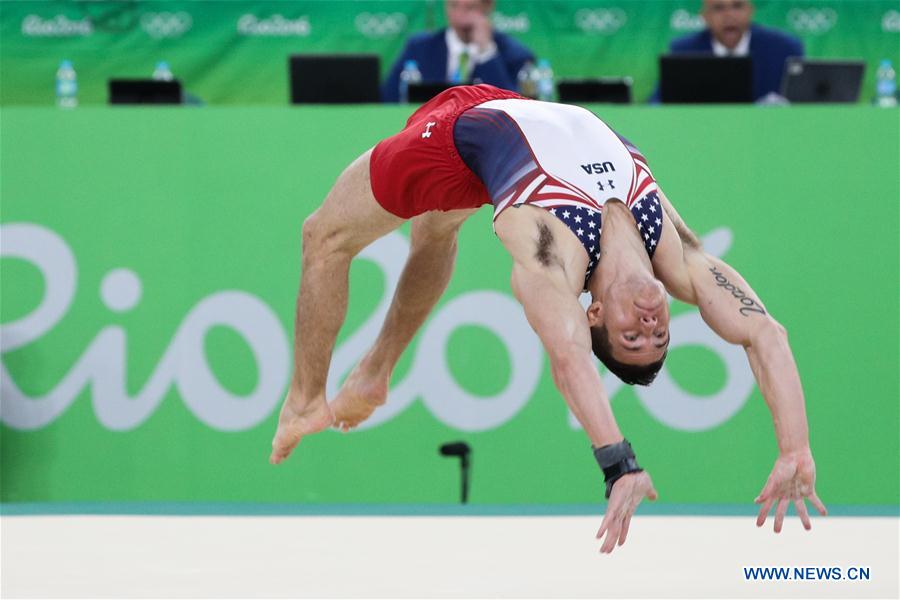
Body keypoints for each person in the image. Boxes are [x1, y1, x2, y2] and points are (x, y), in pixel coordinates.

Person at [269, 84, 827, 553]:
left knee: (323, 236)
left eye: (632, 336)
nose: (653, 324)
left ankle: (304, 400)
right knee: (436, 226)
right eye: (660, 335)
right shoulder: (676, 255)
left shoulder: (551, 256)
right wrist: (794, 448)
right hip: (512, 108)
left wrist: (620, 465)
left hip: (460, 137)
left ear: (596, 313)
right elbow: (763, 333)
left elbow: (568, 357)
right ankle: (375, 369)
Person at [650, 0, 804, 102]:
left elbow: (806, 103)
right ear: (705, 16)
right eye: (719, 8)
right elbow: (658, 103)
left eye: (737, 6)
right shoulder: (683, 51)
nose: (729, 15)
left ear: (750, 11)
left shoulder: (784, 48)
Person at [381, 0, 534, 102]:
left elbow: (512, 106)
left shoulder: (515, 53)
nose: (460, 15)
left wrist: (486, 52)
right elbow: (389, 98)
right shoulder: (419, 48)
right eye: (454, 6)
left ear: (487, 7)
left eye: (470, 8)